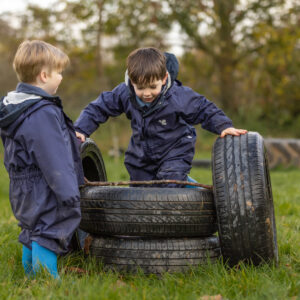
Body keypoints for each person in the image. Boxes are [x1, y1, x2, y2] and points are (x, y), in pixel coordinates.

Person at [75, 47, 247, 186]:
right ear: (131, 81)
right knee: (141, 189)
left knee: (169, 183)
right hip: (140, 153)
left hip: (175, 149)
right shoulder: (124, 93)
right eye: (140, 88)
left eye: (152, 86)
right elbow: (99, 107)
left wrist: (223, 125)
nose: (147, 93)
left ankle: (188, 189)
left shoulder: (178, 97)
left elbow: (204, 109)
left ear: (164, 79)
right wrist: (81, 129)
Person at [0, 40, 84, 279]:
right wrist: (69, 193)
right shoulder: (42, 112)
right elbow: (52, 156)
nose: (61, 78)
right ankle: (48, 283)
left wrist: (69, 136)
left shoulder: (16, 107)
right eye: (59, 73)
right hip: (45, 183)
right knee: (50, 229)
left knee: (33, 228)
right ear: (44, 75)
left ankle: (31, 278)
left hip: (22, 185)